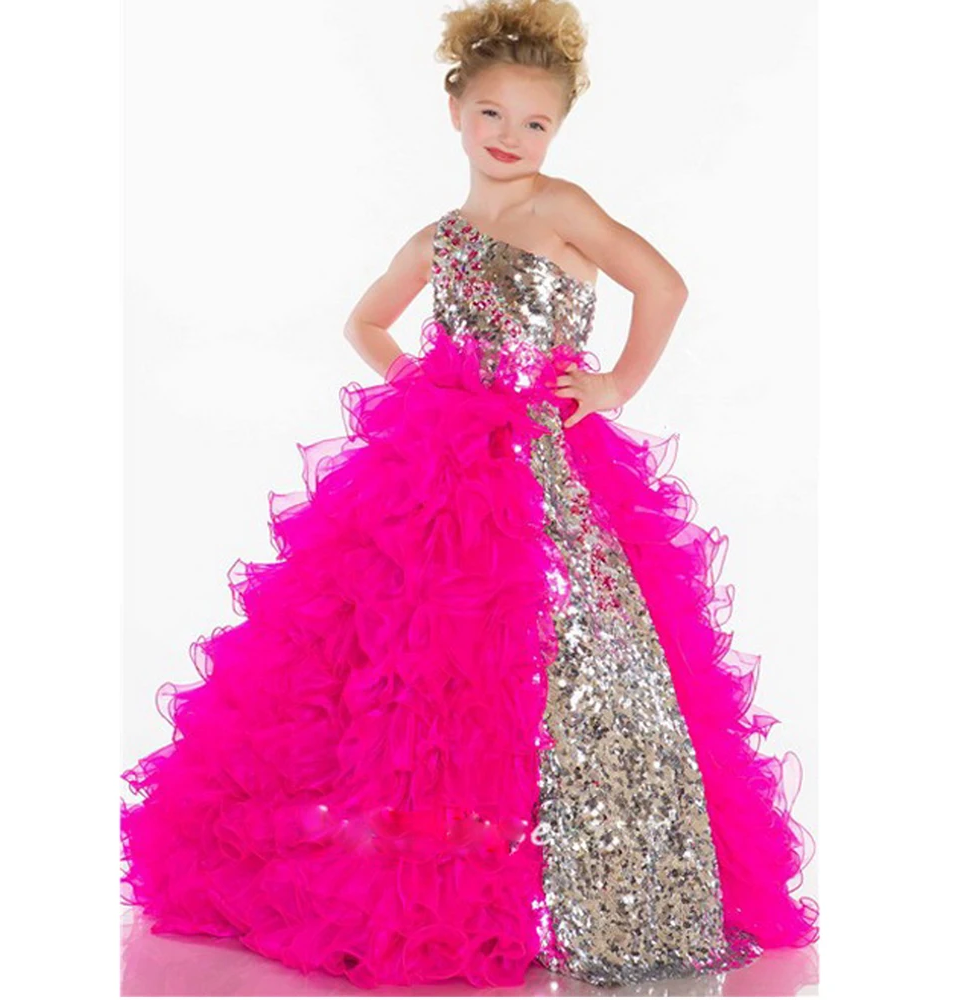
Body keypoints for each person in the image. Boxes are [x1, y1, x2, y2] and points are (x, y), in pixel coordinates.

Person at [120, 0, 819, 989]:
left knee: (587, 655)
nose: (510, 137)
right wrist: (423, 385)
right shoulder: (441, 237)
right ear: (455, 111)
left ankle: (596, 883)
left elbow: (662, 285)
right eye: (491, 114)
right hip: (440, 473)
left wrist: (615, 383)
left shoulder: (562, 208)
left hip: (547, 466)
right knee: (423, 662)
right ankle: (429, 874)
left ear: (559, 129)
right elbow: (367, 322)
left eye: (534, 122)